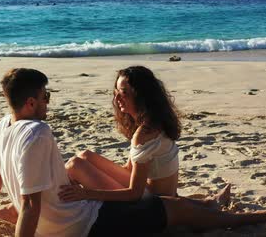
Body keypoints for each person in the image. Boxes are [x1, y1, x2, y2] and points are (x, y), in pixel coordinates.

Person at [0, 68, 266, 237]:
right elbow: (31, 204)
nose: (49, 101)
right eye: (45, 96)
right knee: (173, 211)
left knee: (79, 163)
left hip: (61, 219)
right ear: (32, 102)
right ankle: (254, 217)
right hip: (78, 225)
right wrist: (84, 195)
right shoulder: (39, 131)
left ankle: (211, 204)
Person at [61, 65, 229, 208]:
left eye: (124, 93)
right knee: (85, 156)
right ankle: (207, 204)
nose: (117, 98)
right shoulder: (154, 121)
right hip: (159, 193)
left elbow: (134, 194)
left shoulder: (145, 133)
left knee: (75, 165)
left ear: (141, 95)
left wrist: (86, 193)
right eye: (116, 92)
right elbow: (129, 170)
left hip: (154, 205)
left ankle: (68, 207)